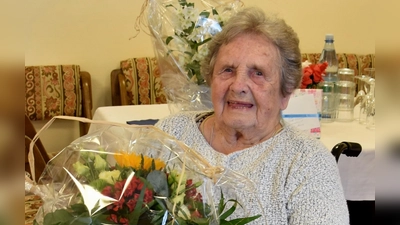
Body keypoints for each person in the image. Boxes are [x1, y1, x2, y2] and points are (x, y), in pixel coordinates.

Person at [155, 7, 349, 224]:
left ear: (285, 92)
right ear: (210, 79)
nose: (238, 86)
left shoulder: (307, 162)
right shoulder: (169, 134)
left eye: (258, 73)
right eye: (228, 69)